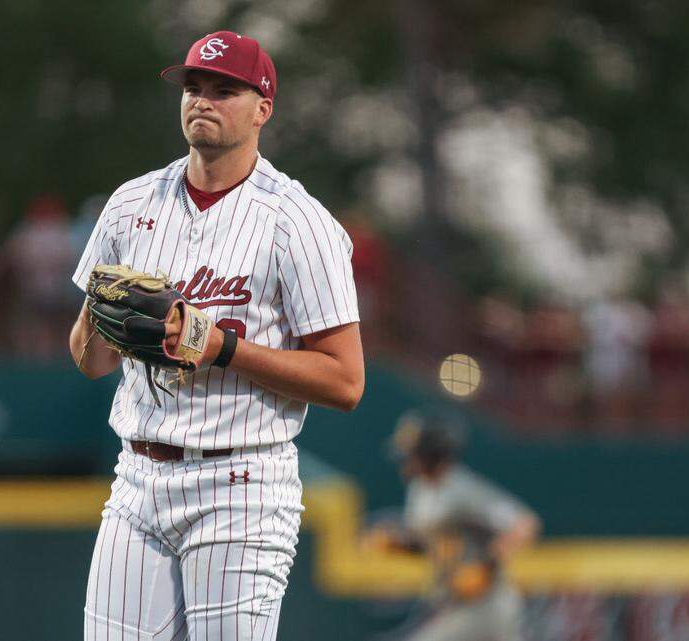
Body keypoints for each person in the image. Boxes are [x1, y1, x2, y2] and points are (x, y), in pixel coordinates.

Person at [68, 30, 364, 641]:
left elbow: (345, 381)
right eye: (193, 87)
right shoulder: (130, 205)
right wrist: (113, 321)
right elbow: (89, 359)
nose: (202, 100)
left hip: (242, 486)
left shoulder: (298, 223)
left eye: (223, 90)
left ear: (263, 109)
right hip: (138, 478)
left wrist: (222, 347)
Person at [367, 412, 540, 641]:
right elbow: (435, 544)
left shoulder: (461, 488)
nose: (406, 461)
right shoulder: (420, 490)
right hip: (453, 606)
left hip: (487, 606)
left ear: (430, 454)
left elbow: (525, 524)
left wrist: (485, 568)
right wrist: (400, 543)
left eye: (412, 454)